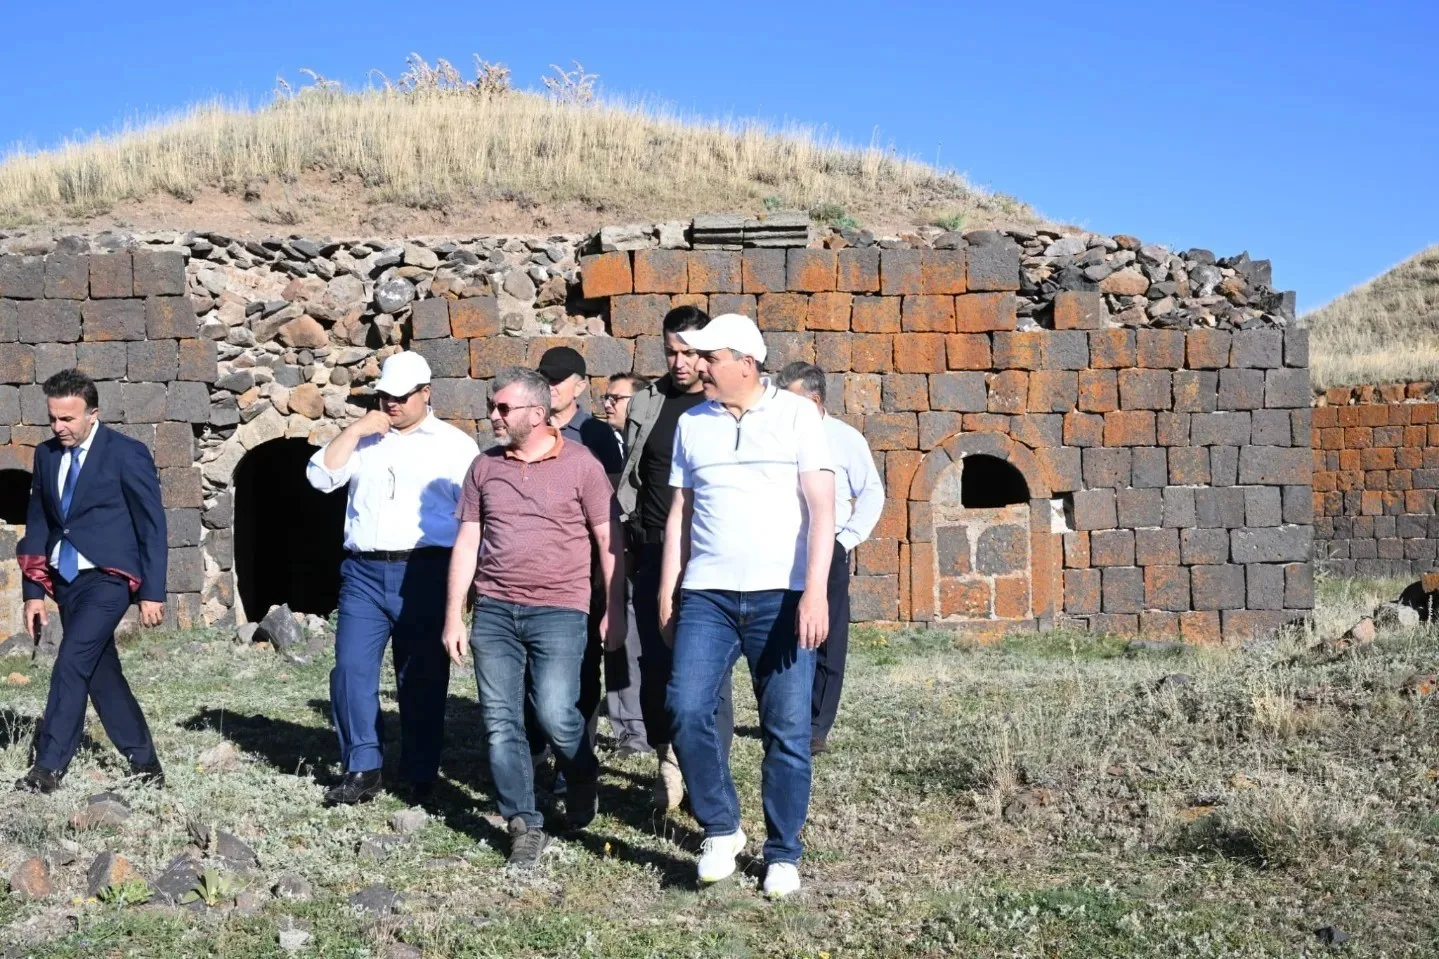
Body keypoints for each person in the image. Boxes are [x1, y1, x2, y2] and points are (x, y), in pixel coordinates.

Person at [658, 314, 835, 899]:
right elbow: (680, 513)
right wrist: (668, 589)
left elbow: (821, 508)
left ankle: (783, 852)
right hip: (706, 593)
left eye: (709, 357)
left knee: (785, 727)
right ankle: (722, 827)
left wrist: (814, 591)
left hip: (781, 594)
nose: (697, 365)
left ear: (746, 362)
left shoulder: (798, 415)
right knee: (684, 708)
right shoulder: (692, 423)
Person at [443, 366, 626, 869]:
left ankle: (582, 771)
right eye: (493, 405)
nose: (493, 415)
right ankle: (523, 822)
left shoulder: (582, 465)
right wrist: (454, 617)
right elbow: (468, 541)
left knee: (554, 713)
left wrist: (614, 610)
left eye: (504, 408)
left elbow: (609, 543)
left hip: (561, 609)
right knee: (501, 723)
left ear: (538, 413)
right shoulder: (483, 468)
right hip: (496, 611)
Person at [305, 351, 478, 806]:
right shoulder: (367, 438)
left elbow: (476, 515)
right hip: (363, 570)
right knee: (350, 670)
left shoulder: (455, 444)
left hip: (424, 569)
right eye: (385, 396)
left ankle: (420, 772)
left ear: (426, 393)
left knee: (420, 675)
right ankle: (363, 765)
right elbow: (320, 477)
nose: (392, 404)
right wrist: (356, 429)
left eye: (401, 397)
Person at [14, 369, 168, 794]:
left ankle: (47, 768)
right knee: (101, 673)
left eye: (68, 419)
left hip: (109, 579)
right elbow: (39, 521)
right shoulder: (45, 456)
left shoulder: (126, 453)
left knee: (71, 660)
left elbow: (152, 525)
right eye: (53, 419)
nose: (59, 427)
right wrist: (34, 592)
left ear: (93, 413)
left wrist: (152, 591)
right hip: (65, 581)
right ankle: (145, 761)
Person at [615, 306, 735, 809]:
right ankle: (670, 763)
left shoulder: (722, 402)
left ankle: (709, 772)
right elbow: (634, 474)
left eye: (689, 352)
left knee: (712, 674)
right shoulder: (649, 402)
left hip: (709, 554)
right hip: (652, 549)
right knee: (655, 661)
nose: (680, 362)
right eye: (671, 351)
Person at [775, 362, 885, 754]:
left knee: (827, 638)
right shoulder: (775, 434)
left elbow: (872, 491)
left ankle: (816, 726)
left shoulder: (843, 438)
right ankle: (786, 716)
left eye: (788, 399)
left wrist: (847, 539)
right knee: (782, 634)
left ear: (814, 400)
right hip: (783, 548)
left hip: (830, 548)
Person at [601, 373, 643, 456]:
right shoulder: (600, 441)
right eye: (606, 398)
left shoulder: (656, 442)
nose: (606, 405)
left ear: (638, 400)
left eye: (615, 398)